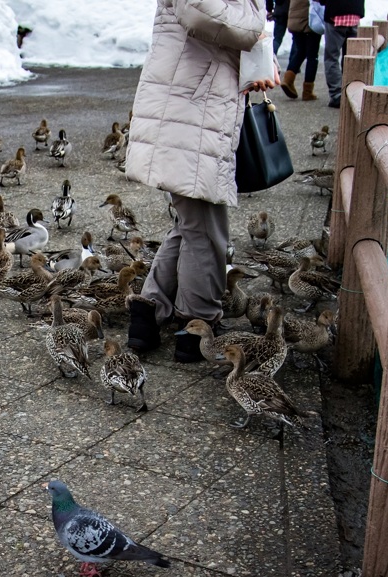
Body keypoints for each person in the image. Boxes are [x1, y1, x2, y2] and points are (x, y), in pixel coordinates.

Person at [125, 0, 276, 362]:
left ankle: (149, 311)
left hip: (196, 106)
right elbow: (200, 11)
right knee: (208, 231)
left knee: (192, 221)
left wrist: (257, 57)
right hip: (191, 109)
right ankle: (196, 328)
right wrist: (259, 28)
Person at [319, 0, 363, 108]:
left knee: (331, 57)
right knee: (351, 58)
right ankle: (352, 92)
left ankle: (337, 95)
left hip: (336, 13)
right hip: (355, 14)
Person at [280, 0, 323, 101]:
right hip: (309, 21)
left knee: (300, 51)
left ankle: (288, 79)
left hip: (295, 20)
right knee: (312, 56)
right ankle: (308, 92)